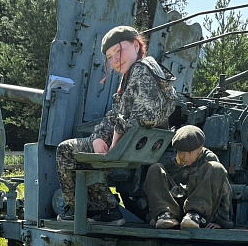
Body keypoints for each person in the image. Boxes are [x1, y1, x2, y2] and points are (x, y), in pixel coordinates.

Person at [56, 25, 177, 225]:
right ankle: (107, 211)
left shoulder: (141, 69)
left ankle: (83, 209)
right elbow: (115, 115)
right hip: (134, 145)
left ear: (136, 46)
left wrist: (115, 138)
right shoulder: (140, 72)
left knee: (65, 150)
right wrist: (97, 139)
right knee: (84, 150)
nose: (115, 60)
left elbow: (145, 116)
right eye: (110, 57)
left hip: (129, 145)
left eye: (119, 51)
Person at [144, 125, 232, 229]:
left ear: (200, 148)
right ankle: (164, 215)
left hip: (200, 214)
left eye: (190, 152)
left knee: (217, 167)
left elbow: (224, 190)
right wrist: (154, 214)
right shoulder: (174, 162)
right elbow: (157, 188)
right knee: (155, 168)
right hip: (175, 210)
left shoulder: (209, 160)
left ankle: (194, 215)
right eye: (181, 152)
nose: (185, 157)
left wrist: (221, 221)